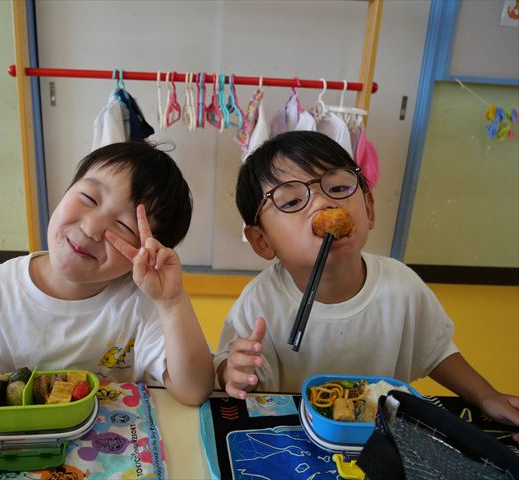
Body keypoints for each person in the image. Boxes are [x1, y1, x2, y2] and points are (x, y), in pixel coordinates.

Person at [214, 131, 519, 435]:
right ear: (262, 240)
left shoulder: (401, 286)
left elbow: (436, 352)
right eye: (292, 201)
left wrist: (485, 395)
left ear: (369, 209)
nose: (324, 203)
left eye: (338, 187)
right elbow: (232, 370)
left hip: (381, 436)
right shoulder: (260, 302)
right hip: (296, 436)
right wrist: (233, 371)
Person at [0, 142, 214, 406]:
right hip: (13, 440)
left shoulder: (139, 303)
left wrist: (172, 302)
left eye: (124, 226)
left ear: (145, 254)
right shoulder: (2, 284)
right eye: (88, 197)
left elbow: (193, 390)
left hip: (107, 447)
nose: (92, 227)